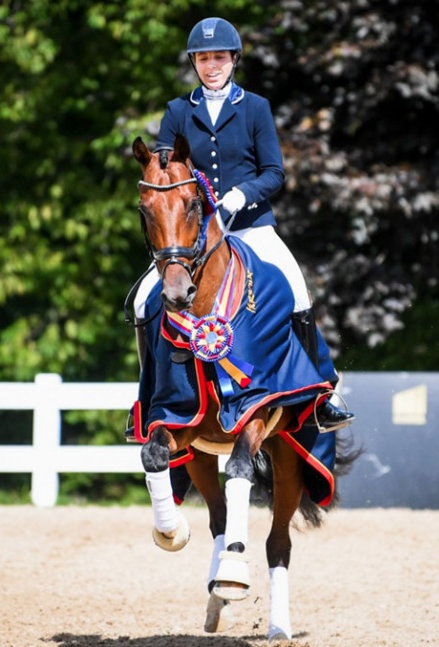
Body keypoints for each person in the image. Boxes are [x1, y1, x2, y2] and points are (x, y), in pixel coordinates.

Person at [126, 17, 354, 444]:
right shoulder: (178, 110)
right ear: (194, 62)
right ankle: (151, 396)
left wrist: (238, 196)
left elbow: (274, 173)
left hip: (250, 226)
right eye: (203, 58)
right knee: (142, 302)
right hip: (195, 236)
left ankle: (323, 392)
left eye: (219, 57)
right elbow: (163, 168)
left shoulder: (255, 108)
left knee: (296, 287)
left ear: (233, 60)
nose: (211, 65)